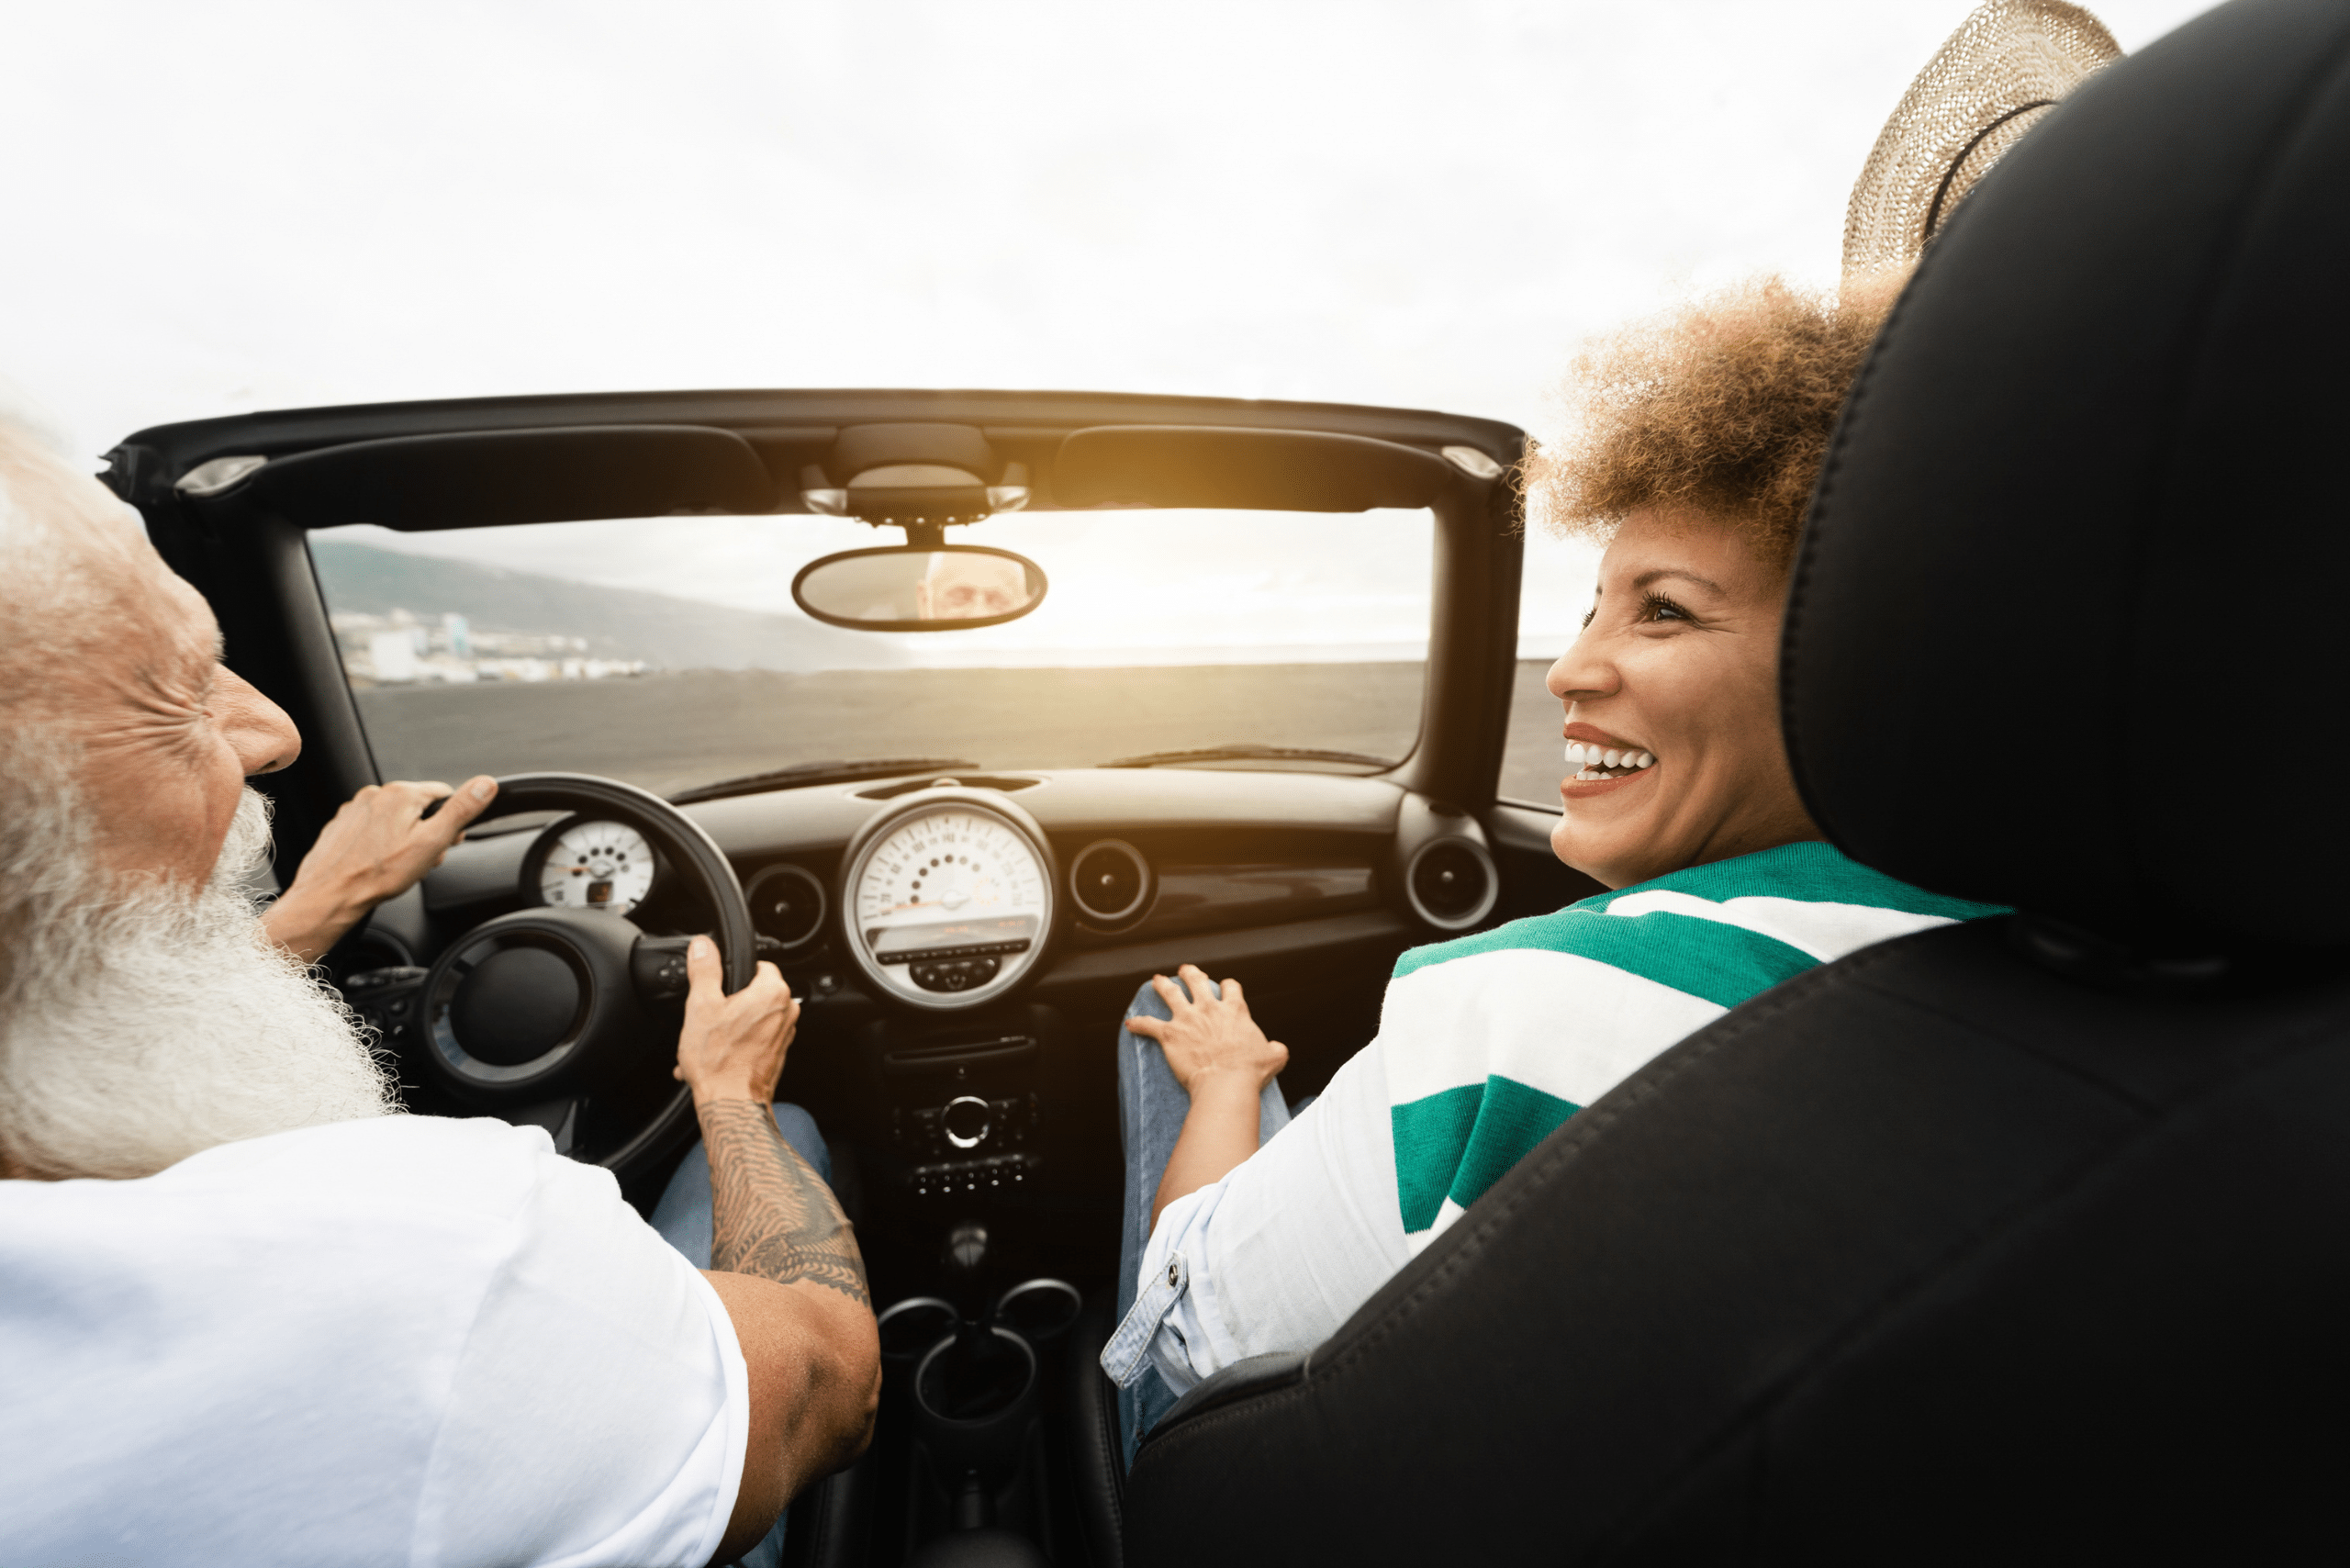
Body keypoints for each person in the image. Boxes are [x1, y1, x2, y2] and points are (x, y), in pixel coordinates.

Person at [1100, 276, 2011, 1462]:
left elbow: (1185, 1334)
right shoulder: (2059, 952)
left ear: (1863, 660)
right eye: (1594, 607)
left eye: (1665, 613)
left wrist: (1229, 1083)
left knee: (1172, 1027)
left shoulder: (1524, 1013)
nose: (1569, 671)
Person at [0, 423, 878, 1567]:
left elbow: (83, 986)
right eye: (175, 684)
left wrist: (315, 912)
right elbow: (830, 1376)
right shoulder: (417, 1271)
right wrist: (728, 1092)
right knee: (789, 1132)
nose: (271, 731)